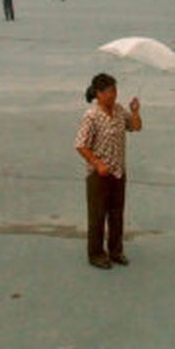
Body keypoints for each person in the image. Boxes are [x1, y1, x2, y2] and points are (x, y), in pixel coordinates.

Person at [74, 73, 142, 270]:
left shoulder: (120, 111)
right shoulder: (92, 116)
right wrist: (97, 163)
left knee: (116, 214)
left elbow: (136, 127)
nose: (114, 95)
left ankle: (116, 250)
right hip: (99, 175)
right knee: (97, 215)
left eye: (115, 90)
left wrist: (135, 111)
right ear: (99, 93)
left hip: (119, 171)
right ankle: (96, 254)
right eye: (111, 91)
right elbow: (80, 145)